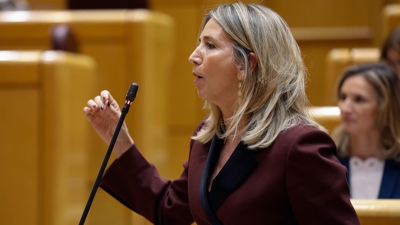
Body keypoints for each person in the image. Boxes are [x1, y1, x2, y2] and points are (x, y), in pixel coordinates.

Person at [83, 2, 360, 224]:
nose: (193, 55)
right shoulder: (208, 136)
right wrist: (118, 140)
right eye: (199, 43)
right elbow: (169, 210)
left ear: (247, 64)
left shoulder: (299, 146)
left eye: (210, 45)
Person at [332, 63, 400, 199]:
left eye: (359, 99)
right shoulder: (328, 162)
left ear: (385, 107)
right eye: (343, 97)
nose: (345, 108)